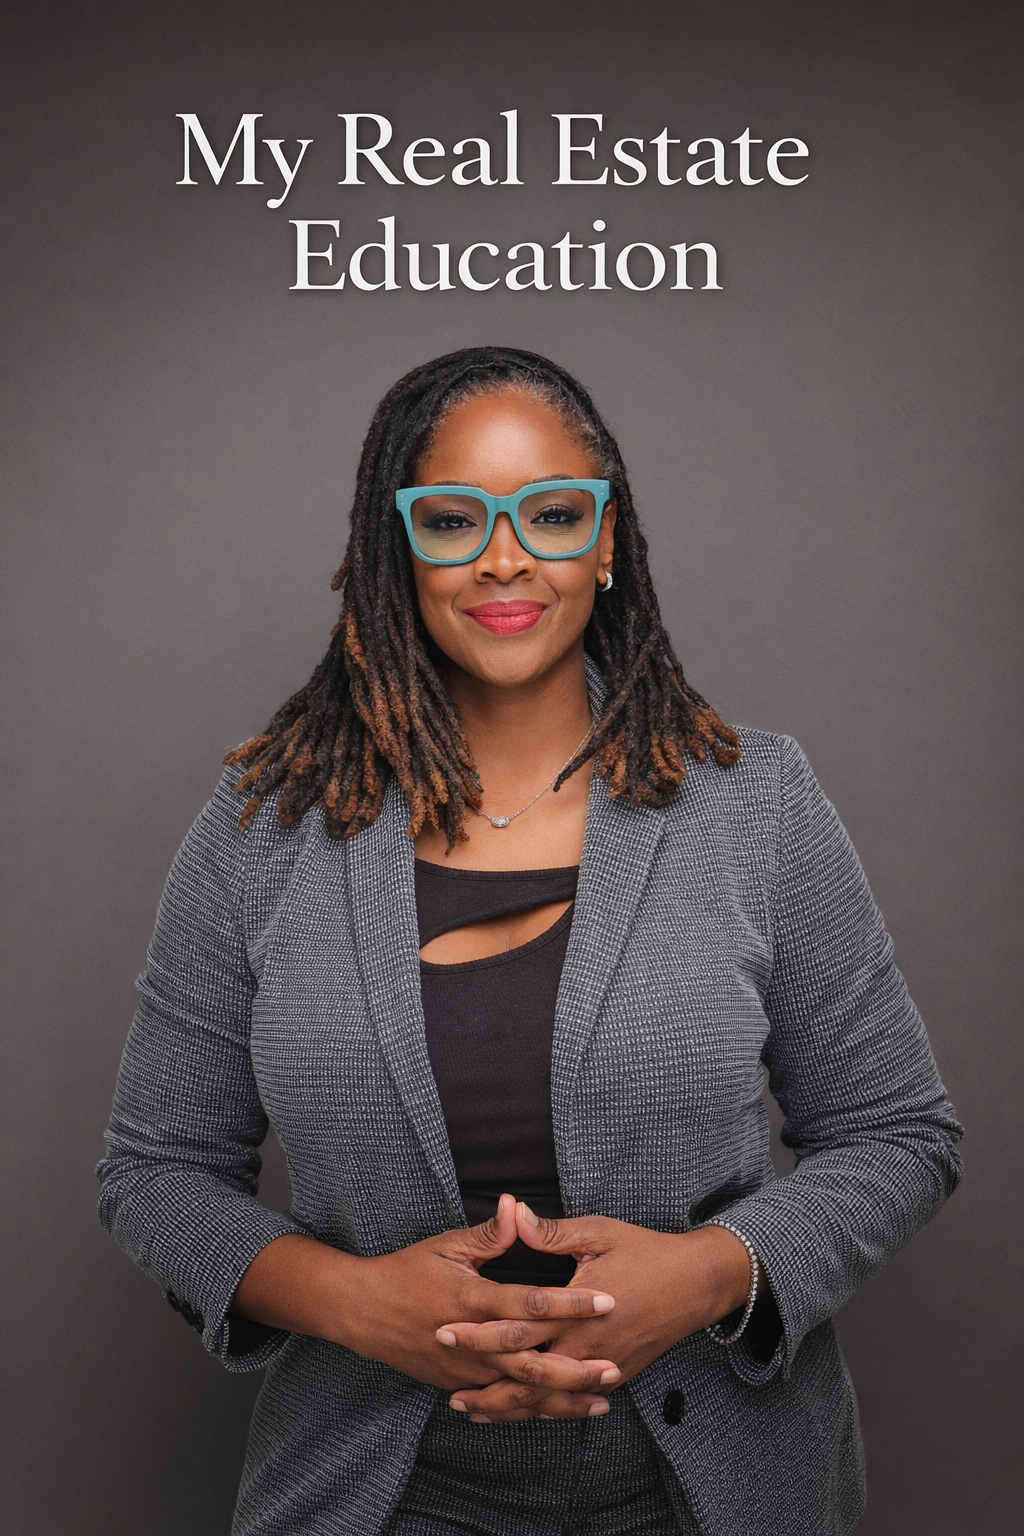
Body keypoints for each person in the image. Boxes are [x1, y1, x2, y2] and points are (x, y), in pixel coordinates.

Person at [99, 347, 962, 1536]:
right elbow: (156, 1171)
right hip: (378, 1498)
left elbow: (897, 1134)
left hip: (712, 1496)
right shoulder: (265, 829)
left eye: (551, 514)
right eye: (453, 520)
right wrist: (357, 1303)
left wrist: (705, 1276)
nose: (503, 557)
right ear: (398, 550)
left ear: (606, 542)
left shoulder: (752, 804)